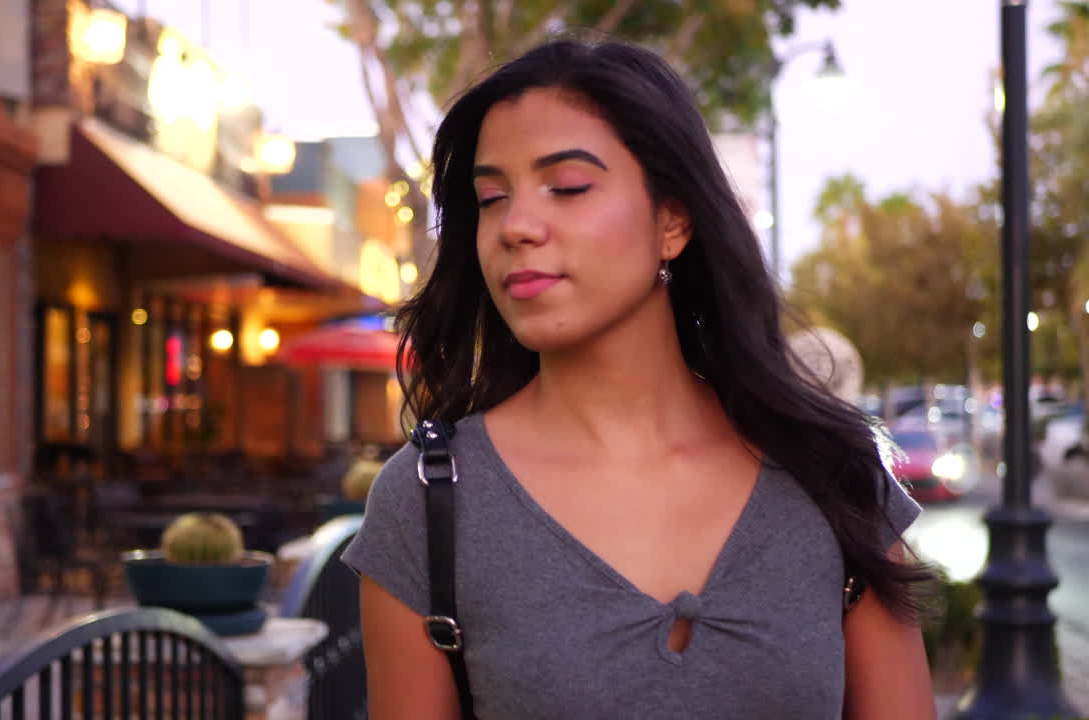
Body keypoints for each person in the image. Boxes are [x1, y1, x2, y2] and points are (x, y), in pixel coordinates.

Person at [341, 37, 936, 719]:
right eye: (491, 198)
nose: (516, 226)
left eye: (567, 187)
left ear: (673, 218)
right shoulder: (428, 505)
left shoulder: (833, 475)